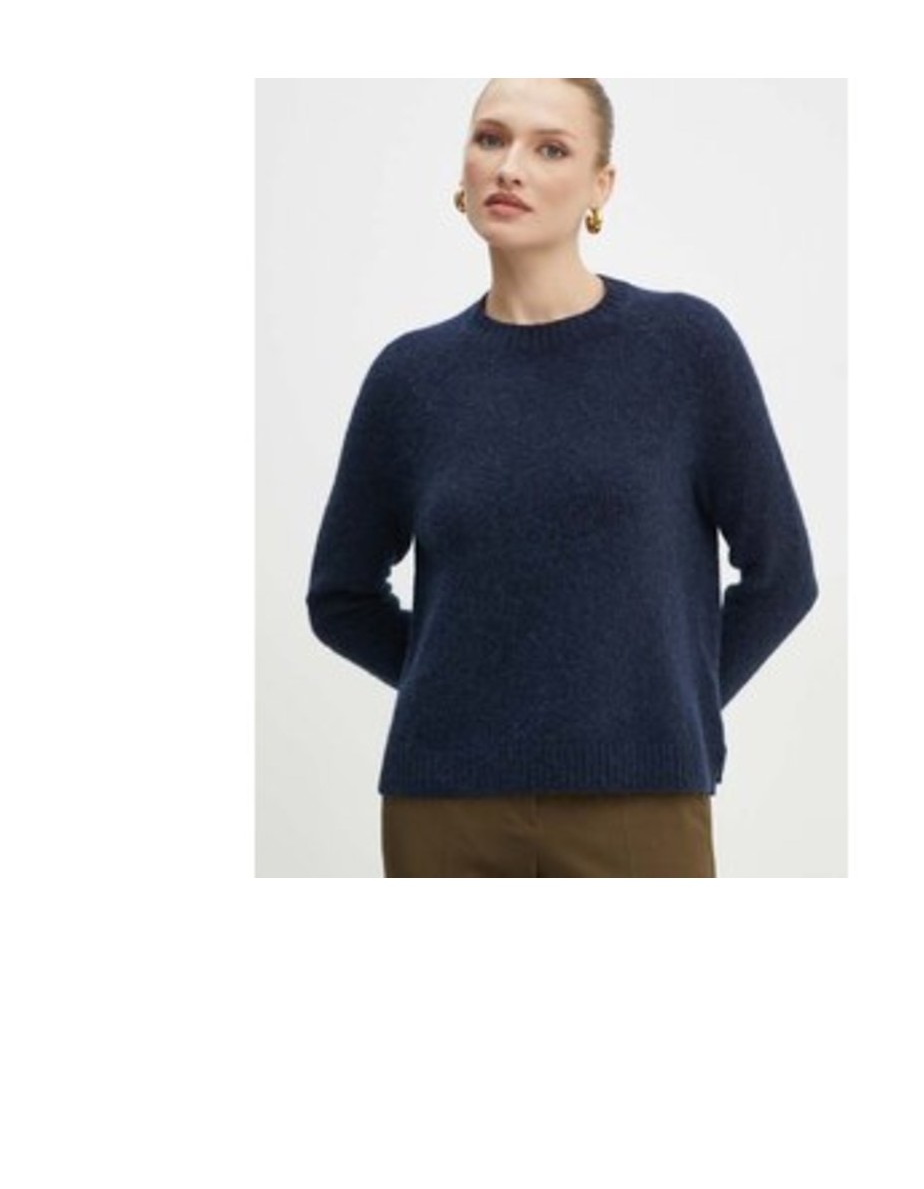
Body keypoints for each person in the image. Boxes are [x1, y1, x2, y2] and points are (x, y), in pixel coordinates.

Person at [306, 78, 819, 877]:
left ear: (599, 185)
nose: (509, 166)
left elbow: (783, 577)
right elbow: (339, 597)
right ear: (464, 167)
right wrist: (467, 692)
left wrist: (663, 708)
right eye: (490, 139)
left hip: (640, 803)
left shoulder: (685, 348)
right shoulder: (411, 378)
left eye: (550, 149)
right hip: (443, 810)